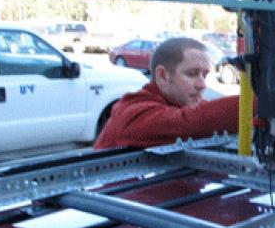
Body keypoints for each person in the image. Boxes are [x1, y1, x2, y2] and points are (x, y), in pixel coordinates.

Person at [94, 37, 238, 149]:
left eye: (204, 75)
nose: (202, 85)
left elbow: (208, 113)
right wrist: (256, 104)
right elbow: (190, 122)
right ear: (162, 76)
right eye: (192, 74)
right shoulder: (132, 113)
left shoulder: (182, 103)